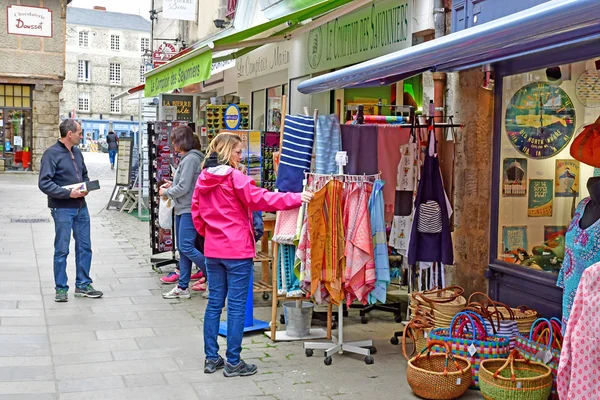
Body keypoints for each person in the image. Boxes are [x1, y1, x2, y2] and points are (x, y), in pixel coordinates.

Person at [191, 132, 313, 378]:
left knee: (215, 303)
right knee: (235, 307)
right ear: (227, 152)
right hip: (237, 249)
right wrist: (298, 198)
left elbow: (197, 215)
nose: (240, 156)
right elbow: (262, 199)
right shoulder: (235, 178)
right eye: (237, 152)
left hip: (213, 250)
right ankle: (233, 362)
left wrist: (212, 234)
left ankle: (211, 358)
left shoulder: (203, 178)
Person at [38, 119, 103, 302]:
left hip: (81, 207)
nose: (82, 136)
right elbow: (44, 183)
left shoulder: (77, 152)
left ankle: (83, 285)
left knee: (85, 247)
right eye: (80, 133)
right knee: (62, 249)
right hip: (62, 208)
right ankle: (61, 288)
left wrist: (86, 186)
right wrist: (68, 194)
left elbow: (84, 174)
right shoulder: (51, 154)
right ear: (70, 134)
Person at [159, 126, 207, 299]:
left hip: (189, 209)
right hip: (184, 208)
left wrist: (167, 192)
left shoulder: (190, 159)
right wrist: (172, 186)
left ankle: (211, 271)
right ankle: (182, 285)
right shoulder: (191, 158)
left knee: (186, 246)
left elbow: (184, 187)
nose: (172, 144)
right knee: (184, 248)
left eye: (175, 140)